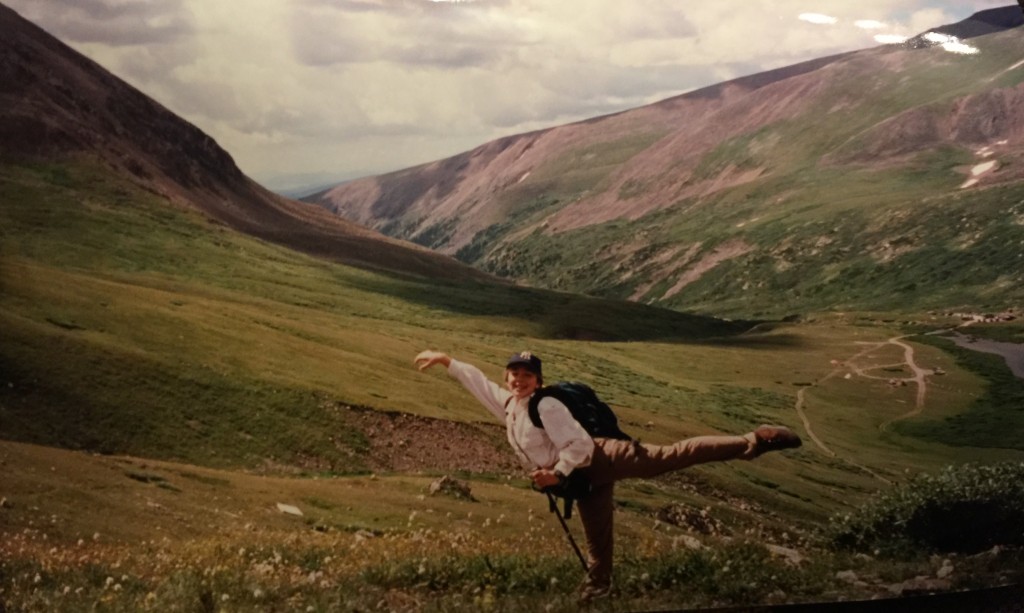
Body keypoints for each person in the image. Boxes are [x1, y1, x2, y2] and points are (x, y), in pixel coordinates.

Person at [413, 348, 802, 603]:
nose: (518, 379)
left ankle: (752, 441)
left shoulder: (546, 406)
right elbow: (481, 385)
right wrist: (448, 361)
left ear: (539, 379)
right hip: (578, 479)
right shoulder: (512, 406)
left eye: (526, 374)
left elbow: (580, 447)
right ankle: (600, 586)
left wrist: (556, 473)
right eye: (513, 373)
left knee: (668, 456)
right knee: (597, 531)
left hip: (599, 456)